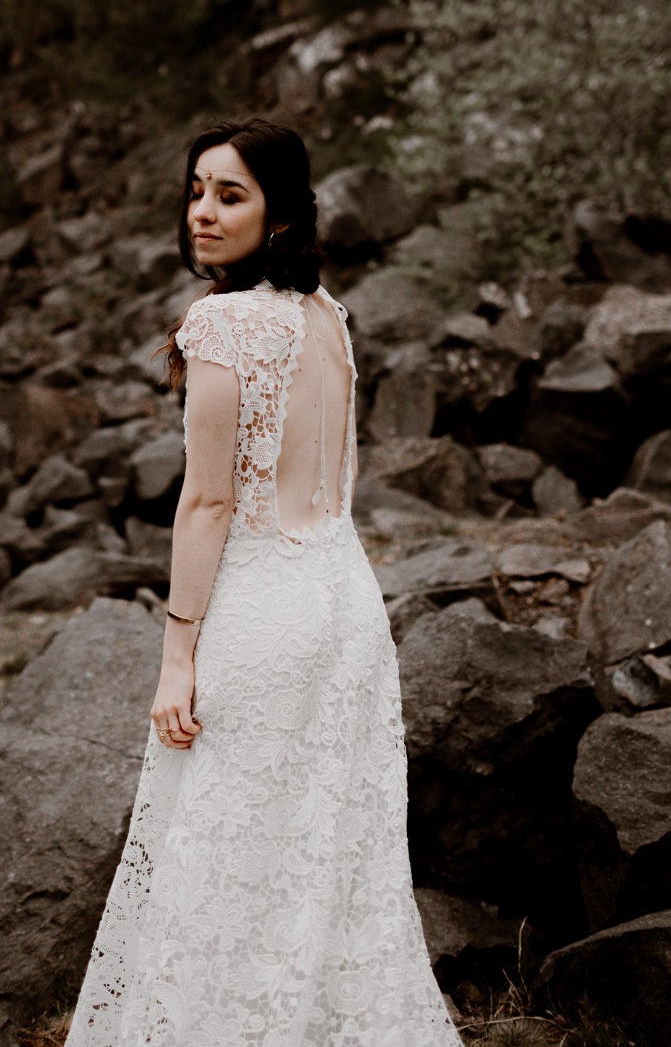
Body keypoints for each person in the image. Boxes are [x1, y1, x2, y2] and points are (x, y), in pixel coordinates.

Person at [65, 118, 461, 1046]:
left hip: (263, 617)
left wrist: (175, 657)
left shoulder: (224, 321)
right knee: (329, 864)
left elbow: (206, 504)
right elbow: (343, 478)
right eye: (196, 190)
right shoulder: (330, 318)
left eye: (230, 194)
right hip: (345, 601)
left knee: (222, 862)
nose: (203, 211)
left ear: (279, 211)